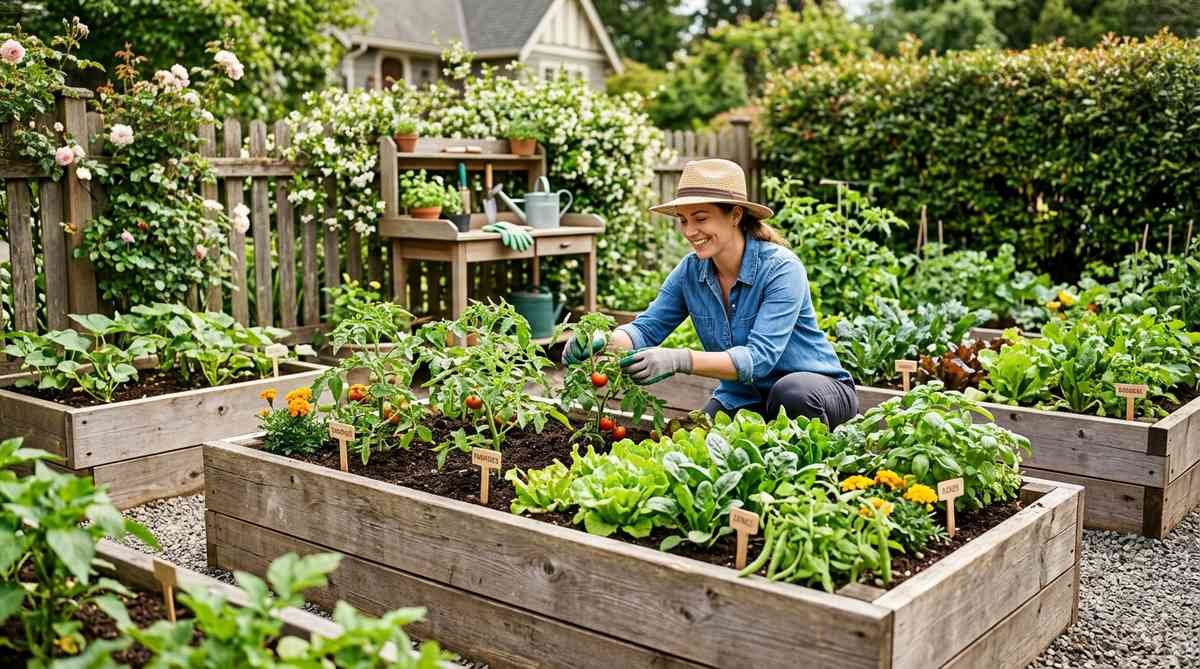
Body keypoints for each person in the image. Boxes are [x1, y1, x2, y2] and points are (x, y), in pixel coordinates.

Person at [563, 158, 858, 428]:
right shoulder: (691, 271)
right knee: (696, 442)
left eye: (701, 218)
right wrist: (600, 342)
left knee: (790, 394)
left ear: (735, 215)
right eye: (683, 220)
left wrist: (680, 359)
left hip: (818, 392)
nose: (690, 231)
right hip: (743, 398)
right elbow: (646, 329)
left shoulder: (781, 268)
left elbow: (760, 358)